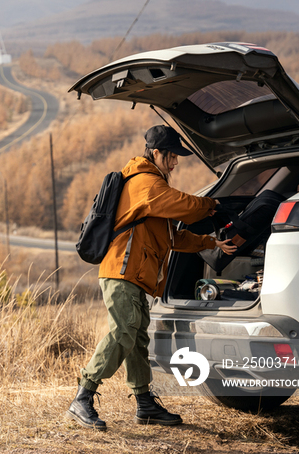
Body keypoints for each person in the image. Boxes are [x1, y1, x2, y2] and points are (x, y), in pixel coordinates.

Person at [67, 125, 236, 430]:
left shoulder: (153, 190)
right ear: (157, 153)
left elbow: (174, 238)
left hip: (135, 274)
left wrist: (212, 242)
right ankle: (83, 396)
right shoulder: (146, 183)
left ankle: (145, 405)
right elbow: (185, 205)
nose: (175, 163)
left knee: (137, 339)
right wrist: (212, 204)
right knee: (125, 331)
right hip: (122, 271)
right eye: (172, 157)